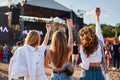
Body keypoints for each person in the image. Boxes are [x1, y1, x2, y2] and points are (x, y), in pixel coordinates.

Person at [78, 8, 109, 80]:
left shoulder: (83, 47)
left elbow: (85, 66)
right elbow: (98, 30)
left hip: (87, 73)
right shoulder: (99, 42)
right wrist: (97, 17)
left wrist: (80, 64)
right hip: (98, 72)